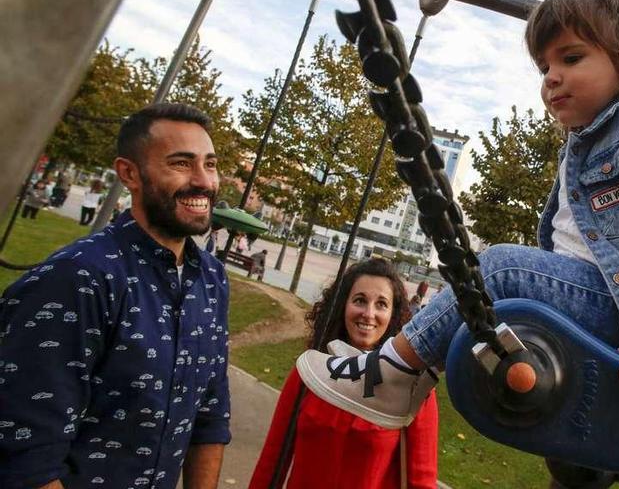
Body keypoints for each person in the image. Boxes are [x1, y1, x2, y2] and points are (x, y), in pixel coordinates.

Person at [295, 0, 619, 430]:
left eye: (571, 57)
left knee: (500, 268)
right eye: (544, 66)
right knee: (501, 286)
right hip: (607, 305)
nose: (552, 77)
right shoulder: (581, 147)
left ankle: (392, 375)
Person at [0, 103, 230, 488]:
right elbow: (26, 453)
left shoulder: (212, 279)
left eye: (210, 164)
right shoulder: (78, 277)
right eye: (181, 163)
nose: (204, 181)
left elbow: (210, 415)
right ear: (129, 173)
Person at [249, 258, 438, 489]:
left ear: (393, 315)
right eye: (360, 300)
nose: (369, 314)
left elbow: (422, 481)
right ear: (342, 306)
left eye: (381, 304)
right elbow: (272, 461)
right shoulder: (309, 374)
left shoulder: (412, 387)